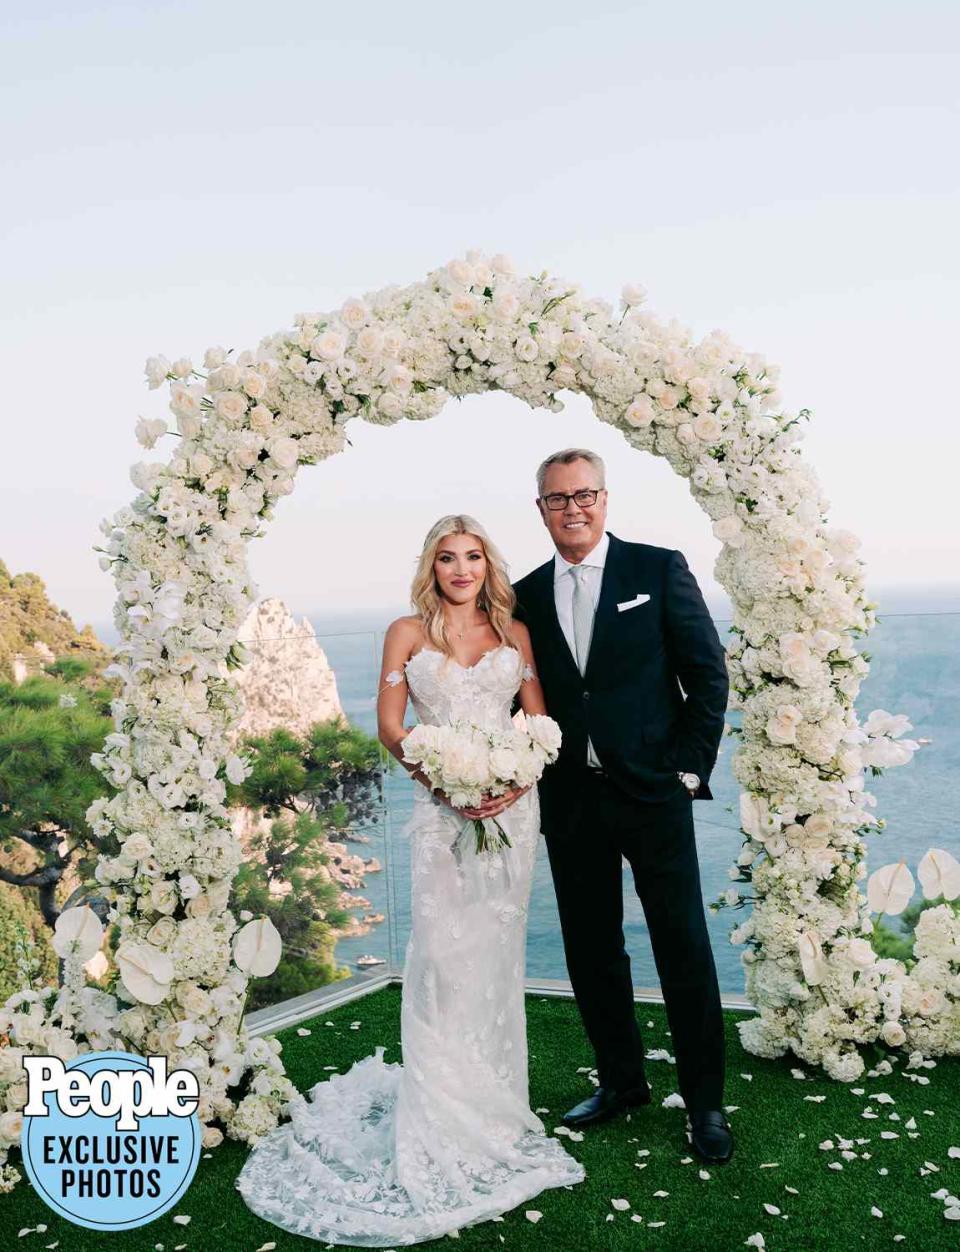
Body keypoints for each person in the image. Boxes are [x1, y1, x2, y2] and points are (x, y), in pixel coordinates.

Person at [235, 514, 585, 1245]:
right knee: (441, 960)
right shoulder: (405, 633)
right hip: (440, 813)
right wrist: (445, 784)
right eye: (449, 558)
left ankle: (493, 1103)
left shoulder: (515, 634)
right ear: (432, 567)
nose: (462, 569)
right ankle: (439, 1113)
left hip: (511, 816)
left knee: (494, 957)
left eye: (474, 556)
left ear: (490, 565)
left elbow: (537, 724)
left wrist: (508, 790)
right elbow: (392, 726)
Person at [512, 448, 733, 1164]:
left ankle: (705, 1105)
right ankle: (621, 1082)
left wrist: (690, 772)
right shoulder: (525, 593)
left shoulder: (657, 568)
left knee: (682, 946)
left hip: (654, 794)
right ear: (540, 508)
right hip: (571, 800)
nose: (573, 508)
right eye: (557, 498)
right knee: (591, 947)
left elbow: (707, 674)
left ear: (605, 500)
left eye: (585, 495)